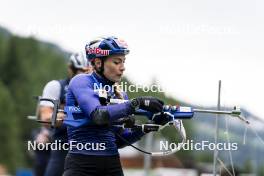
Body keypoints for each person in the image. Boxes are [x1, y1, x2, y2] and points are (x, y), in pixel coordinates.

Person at [63, 36, 168, 176]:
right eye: (117, 62)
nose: (123, 67)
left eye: (124, 62)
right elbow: (98, 115)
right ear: (98, 63)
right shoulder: (81, 82)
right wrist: (137, 103)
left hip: (111, 164)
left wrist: (149, 125)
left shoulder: (120, 94)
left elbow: (119, 141)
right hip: (81, 163)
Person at [38, 52, 91, 176]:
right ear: (71, 69)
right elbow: (45, 118)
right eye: (80, 71)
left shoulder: (97, 88)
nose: (84, 75)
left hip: (92, 146)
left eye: (87, 72)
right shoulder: (56, 86)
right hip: (63, 143)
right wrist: (77, 116)